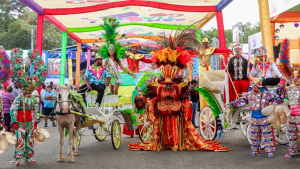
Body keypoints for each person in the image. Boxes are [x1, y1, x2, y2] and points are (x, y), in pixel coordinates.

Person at [229, 58, 283, 158]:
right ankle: (255, 151)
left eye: (257, 85)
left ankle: (269, 151)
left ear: (261, 86)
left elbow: (278, 99)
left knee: (267, 135)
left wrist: (282, 94)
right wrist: (232, 104)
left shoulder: (267, 94)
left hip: (264, 119)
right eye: (254, 85)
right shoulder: (249, 95)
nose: (255, 87)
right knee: (254, 135)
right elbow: (240, 101)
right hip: (254, 119)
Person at [198, 38, 231, 111]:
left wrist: (228, 50)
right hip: (201, 68)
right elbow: (189, 52)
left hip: (208, 68)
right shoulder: (198, 50)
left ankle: (211, 103)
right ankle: (202, 105)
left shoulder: (210, 50)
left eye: (206, 43)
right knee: (202, 85)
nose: (205, 44)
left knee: (210, 84)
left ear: (207, 43)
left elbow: (219, 50)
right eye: (203, 43)